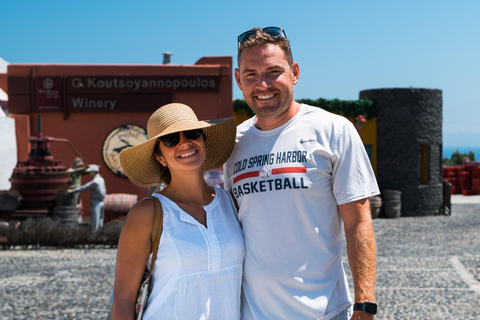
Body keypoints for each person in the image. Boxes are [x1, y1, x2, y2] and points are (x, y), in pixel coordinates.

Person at [224, 27, 380, 320]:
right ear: (238, 80)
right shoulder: (234, 144)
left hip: (325, 312)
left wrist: (365, 305)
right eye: (251, 75)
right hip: (253, 314)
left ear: (294, 72)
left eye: (273, 71)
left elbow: (358, 222)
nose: (263, 84)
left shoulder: (333, 130)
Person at [112, 103, 244, 319]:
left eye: (192, 133)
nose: (184, 143)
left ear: (204, 141)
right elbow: (123, 299)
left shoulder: (231, 203)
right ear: (160, 157)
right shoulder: (147, 214)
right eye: (172, 140)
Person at [70, 164, 106, 231]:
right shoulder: (101, 179)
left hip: (96, 202)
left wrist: (73, 191)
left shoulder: (95, 182)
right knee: (100, 220)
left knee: (95, 219)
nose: (90, 173)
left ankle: (95, 235)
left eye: (90, 172)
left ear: (93, 172)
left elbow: (85, 187)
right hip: (101, 201)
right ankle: (100, 234)